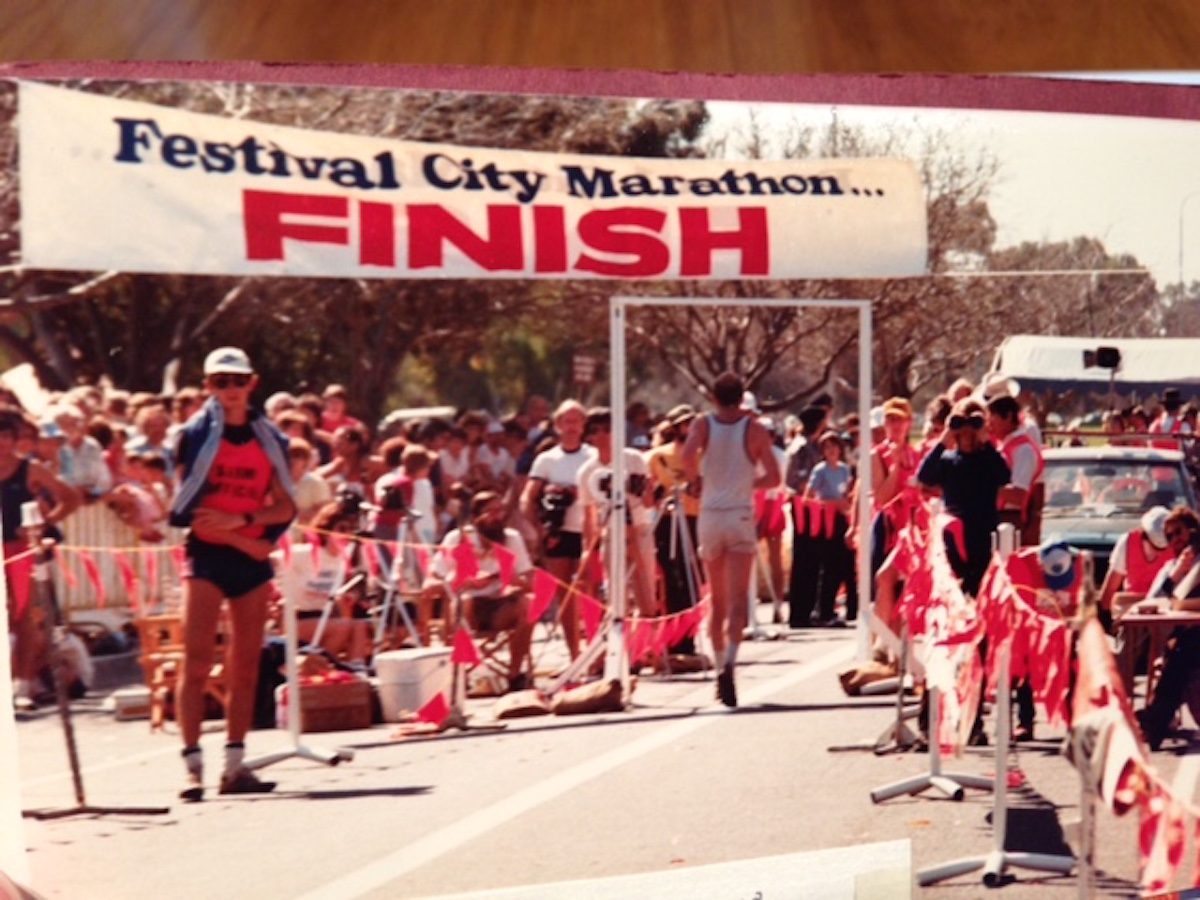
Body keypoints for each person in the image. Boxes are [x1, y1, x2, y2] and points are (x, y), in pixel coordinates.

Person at [169, 347, 296, 801]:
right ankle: (191, 765)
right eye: (219, 382)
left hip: (249, 556)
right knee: (197, 659)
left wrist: (240, 527)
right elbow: (194, 513)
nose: (229, 390)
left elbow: (284, 504)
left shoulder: (270, 440)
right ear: (207, 386)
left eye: (236, 381)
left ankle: (235, 765)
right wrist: (241, 535)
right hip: (207, 555)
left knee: (246, 664)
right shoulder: (195, 436)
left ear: (251, 383)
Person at [682, 372, 781, 707]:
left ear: (713, 397)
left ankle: (719, 665)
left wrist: (696, 481)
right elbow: (774, 476)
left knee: (718, 600)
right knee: (739, 600)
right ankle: (730, 665)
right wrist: (747, 484)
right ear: (742, 399)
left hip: (710, 513)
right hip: (739, 512)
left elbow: (686, 454)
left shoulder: (703, 424)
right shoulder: (753, 430)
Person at [1, 409, 81, 710]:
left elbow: (70, 498)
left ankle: (22, 686)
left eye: (6, 436)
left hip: (23, 551)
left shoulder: (30, 469)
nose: (1, 443)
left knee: (25, 618)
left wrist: (43, 526)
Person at [422, 490, 535, 692]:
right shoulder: (458, 539)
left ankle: (515, 674)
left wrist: (511, 579)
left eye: (500, 511)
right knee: (459, 602)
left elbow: (529, 579)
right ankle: (459, 675)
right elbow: (432, 581)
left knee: (529, 603)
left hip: (500, 604)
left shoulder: (511, 538)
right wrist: (463, 582)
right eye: (491, 512)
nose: (497, 517)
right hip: (468, 607)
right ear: (476, 517)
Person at [520, 400, 596, 661]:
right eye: (567, 421)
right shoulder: (547, 459)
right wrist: (539, 527)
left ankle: (596, 653)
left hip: (589, 531)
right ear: (557, 425)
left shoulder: (594, 456)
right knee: (565, 595)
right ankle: (575, 654)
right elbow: (527, 497)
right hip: (559, 532)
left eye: (577, 421)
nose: (572, 427)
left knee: (591, 592)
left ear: (584, 425)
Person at [917, 397, 1011, 597]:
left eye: (973, 426)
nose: (967, 433)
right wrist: (945, 439)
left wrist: (985, 441)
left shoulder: (989, 459)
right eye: (962, 427)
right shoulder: (948, 461)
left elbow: (1004, 476)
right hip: (954, 538)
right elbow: (923, 476)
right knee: (956, 594)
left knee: (981, 592)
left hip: (983, 536)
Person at [576, 407, 658, 620]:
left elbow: (649, 502)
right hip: (611, 533)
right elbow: (589, 514)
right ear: (589, 436)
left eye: (607, 429)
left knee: (646, 592)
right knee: (616, 595)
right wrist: (587, 549)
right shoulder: (586, 471)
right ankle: (622, 646)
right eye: (596, 431)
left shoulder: (633, 458)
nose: (602, 435)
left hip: (639, 529)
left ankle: (648, 648)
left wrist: (643, 487)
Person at [1134, 507, 1200, 750]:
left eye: (1179, 533)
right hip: (1188, 633)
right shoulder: (1171, 567)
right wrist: (1176, 576)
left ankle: (1153, 723)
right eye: (1170, 536)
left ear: (1192, 530)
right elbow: (1153, 600)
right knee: (1179, 654)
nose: (1176, 541)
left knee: (1180, 656)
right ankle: (1154, 723)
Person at [646, 404, 702, 658]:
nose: (688, 428)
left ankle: (688, 639)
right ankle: (668, 639)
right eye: (683, 424)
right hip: (667, 520)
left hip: (694, 519)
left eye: (692, 423)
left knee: (693, 580)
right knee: (671, 580)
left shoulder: (702, 453)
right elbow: (648, 490)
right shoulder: (658, 456)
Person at [1097, 505, 1173, 625]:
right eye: (1155, 547)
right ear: (1144, 536)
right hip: (1132, 613)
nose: (1159, 552)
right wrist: (1105, 620)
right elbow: (1110, 588)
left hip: (1165, 613)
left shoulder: (1176, 547)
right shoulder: (1127, 543)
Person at [987, 393, 1045, 547]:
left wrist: (984, 485)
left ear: (1008, 417)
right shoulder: (1006, 446)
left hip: (1012, 520)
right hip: (999, 517)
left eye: (993, 417)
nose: (989, 423)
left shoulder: (1024, 450)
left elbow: (1019, 495)